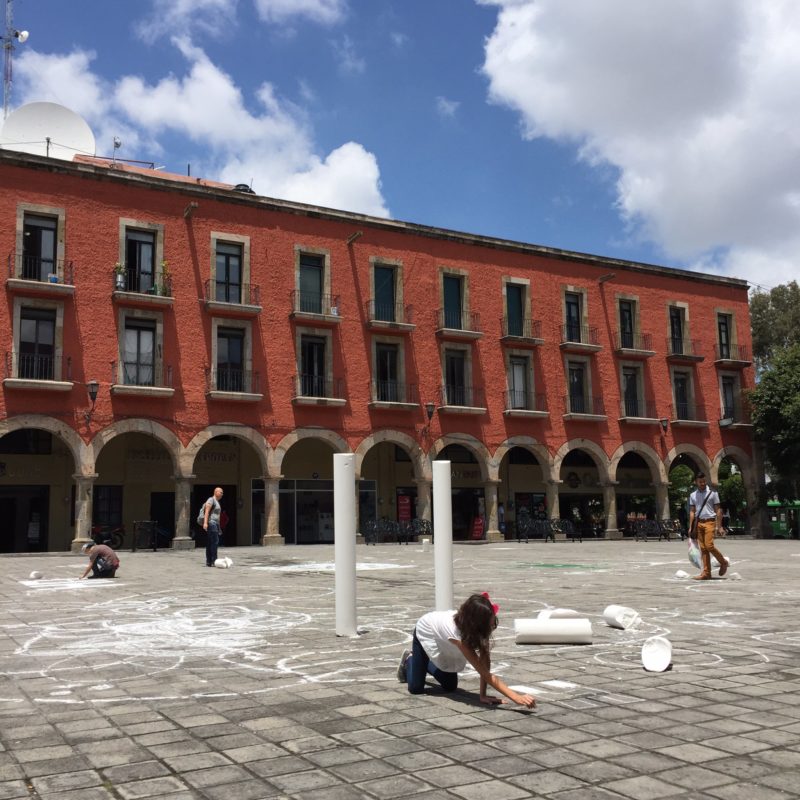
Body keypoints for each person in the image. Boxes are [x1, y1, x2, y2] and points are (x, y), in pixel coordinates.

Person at [397, 592, 536, 709]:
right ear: (477, 622)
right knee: (416, 689)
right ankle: (411, 659)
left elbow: (484, 661)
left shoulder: (479, 627)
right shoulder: (458, 637)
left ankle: (422, 662)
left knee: (450, 686)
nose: (492, 623)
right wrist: (516, 697)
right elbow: (485, 673)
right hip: (426, 630)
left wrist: (483, 695)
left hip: (444, 639)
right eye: (489, 620)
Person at [688, 472, 728, 580]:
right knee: (703, 548)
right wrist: (691, 527)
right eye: (700, 482)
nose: (702, 483)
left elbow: (718, 510)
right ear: (696, 482)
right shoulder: (692, 495)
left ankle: (723, 562)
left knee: (709, 545)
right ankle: (706, 573)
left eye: (704, 481)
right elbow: (692, 511)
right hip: (699, 523)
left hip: (710, 522)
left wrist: (719, 526)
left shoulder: (713, 493)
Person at [202, 487, 224, 567]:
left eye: (222, 493)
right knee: (214, 542)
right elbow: (207, 512)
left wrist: (219, 528)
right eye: (221, 492)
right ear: (216, 492)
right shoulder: (211, 500)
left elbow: (217, 516)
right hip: (211, 523)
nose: (222, 494)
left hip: (215, 524)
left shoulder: (217, 502)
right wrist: (205, 523)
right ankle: (214, 560)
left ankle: (209, 561)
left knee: (210, 542)